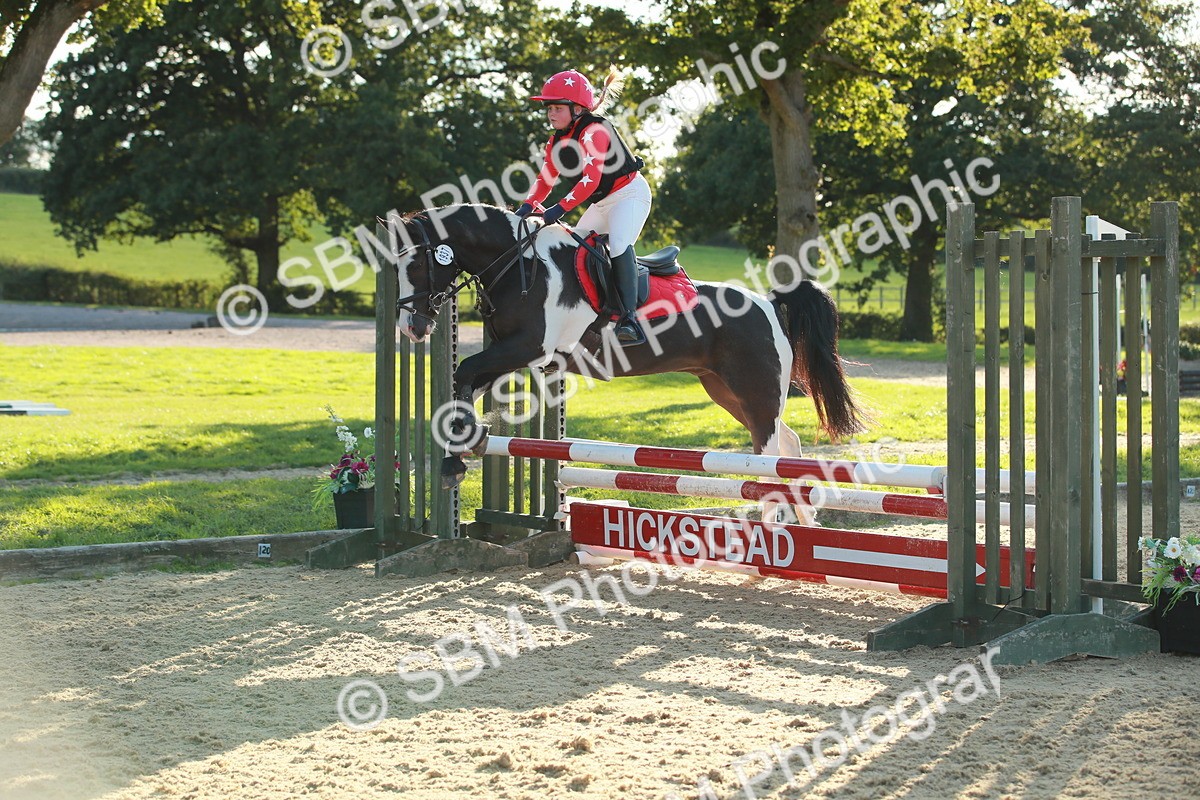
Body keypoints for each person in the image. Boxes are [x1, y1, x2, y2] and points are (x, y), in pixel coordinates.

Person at [515, 68, 651, 345]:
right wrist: (527, 206)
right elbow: (545, 181)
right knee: (573, 252)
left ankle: (629, 319)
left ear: (577, 109)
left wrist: (557, 209)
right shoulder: (555, 142)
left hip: (630, 196)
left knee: (620, 244)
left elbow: (591, 181)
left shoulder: (594, 131)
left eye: (557, 108)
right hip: (602, 204)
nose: (551, 114)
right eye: (548, 108)